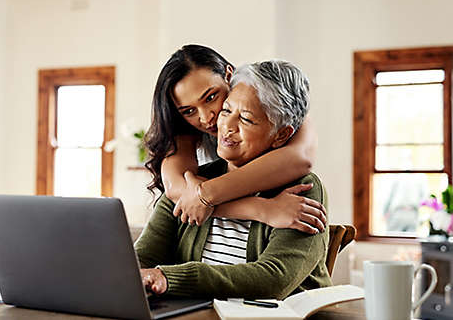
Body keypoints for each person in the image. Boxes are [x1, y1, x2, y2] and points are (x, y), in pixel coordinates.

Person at [135, 60, 332, 299]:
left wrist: (170, 278)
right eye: (226, 111)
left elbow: (274, 280)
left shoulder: (304, 189)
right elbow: (142, 257)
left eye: (246, 119)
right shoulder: (193, 182)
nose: (224, 126)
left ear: (281, 135)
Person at [144, 45, 326, 233]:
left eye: (211, 97)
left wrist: (205, 195)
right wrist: (262, 209)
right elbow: (179, 190)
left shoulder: (277, 104)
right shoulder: (184, 131)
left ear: (228, 76)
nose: (206, 118)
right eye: (189, 111)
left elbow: (300, 158)